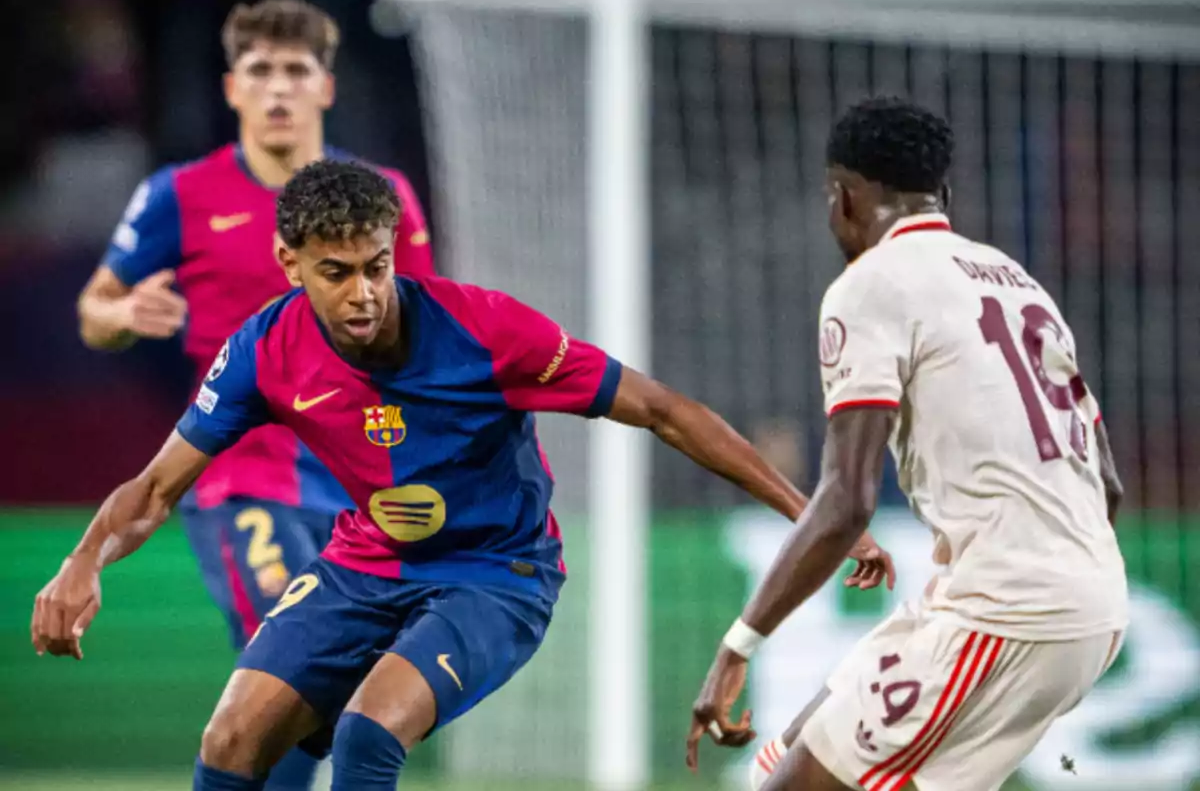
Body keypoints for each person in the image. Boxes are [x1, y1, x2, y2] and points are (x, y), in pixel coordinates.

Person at [33, 159, 892, 791]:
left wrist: (804, 508)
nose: (365, 292)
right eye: (337, 274)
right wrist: (83, 563)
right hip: (364, 565)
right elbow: (154, 488)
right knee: (228, 744)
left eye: (377, 266)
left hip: (498, 577)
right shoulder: (265, 347)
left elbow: (663, 409)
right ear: (291, 264)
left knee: (370, 734)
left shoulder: (487, 331)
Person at [685, 97, 1128, 791]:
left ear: (845, 197)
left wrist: (737, 646)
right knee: (793, 752)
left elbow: (846, 501)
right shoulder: (1018, 283)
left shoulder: (868, 286)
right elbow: (1108, 484)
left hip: (1006, 609)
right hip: (1081, 604)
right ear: (940, 196)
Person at [77, 0, 432, 788]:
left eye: (296, 71)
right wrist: (123, 312)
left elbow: (428, 336)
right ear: (233, 88)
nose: (280, 89)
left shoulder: (384, 199)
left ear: (326, 87)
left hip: (357, 479)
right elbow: (93, 310)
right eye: (261, 72)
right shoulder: (179, 195)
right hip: (242, 473)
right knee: (295, 657)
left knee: (306, 696)